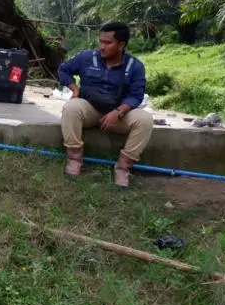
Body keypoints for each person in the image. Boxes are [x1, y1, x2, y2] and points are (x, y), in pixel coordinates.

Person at [57, 21, 154, 188]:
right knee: (71, 108)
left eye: (108, 43)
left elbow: (136, 95)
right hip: (90, 109)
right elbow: (63, 70)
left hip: (118, 115)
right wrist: (74, 89)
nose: (102, 46)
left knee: (145, 119)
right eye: (101, 41)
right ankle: (74, 158)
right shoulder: (86, 57)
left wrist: (118, 111)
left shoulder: (135, 66)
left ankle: (123, 168)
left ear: (121, 45)